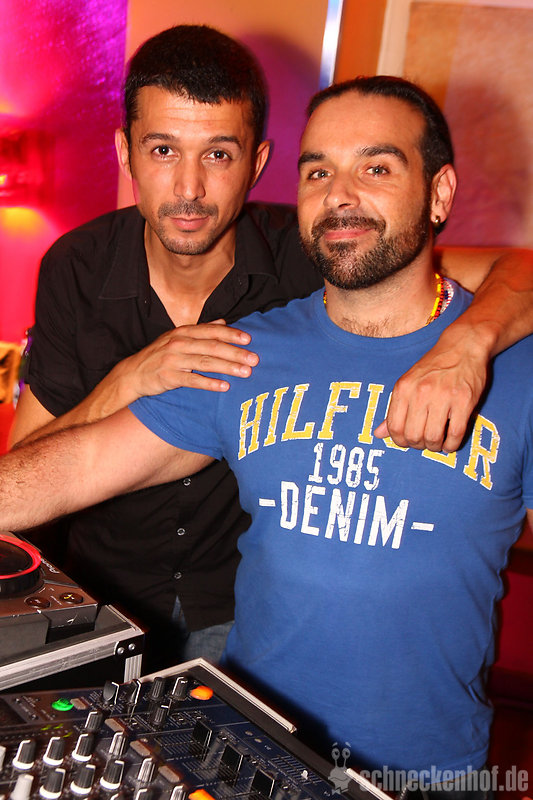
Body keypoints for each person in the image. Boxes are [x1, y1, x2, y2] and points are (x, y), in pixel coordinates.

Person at [1, 75, 533, 784]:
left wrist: (468, 347)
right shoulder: (244, 352)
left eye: (376, 168)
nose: (340, 195)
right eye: (318, 172)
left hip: (427, 774)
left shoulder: (515, 364)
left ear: (438, 193)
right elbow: (78, 464)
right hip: (247, 750)